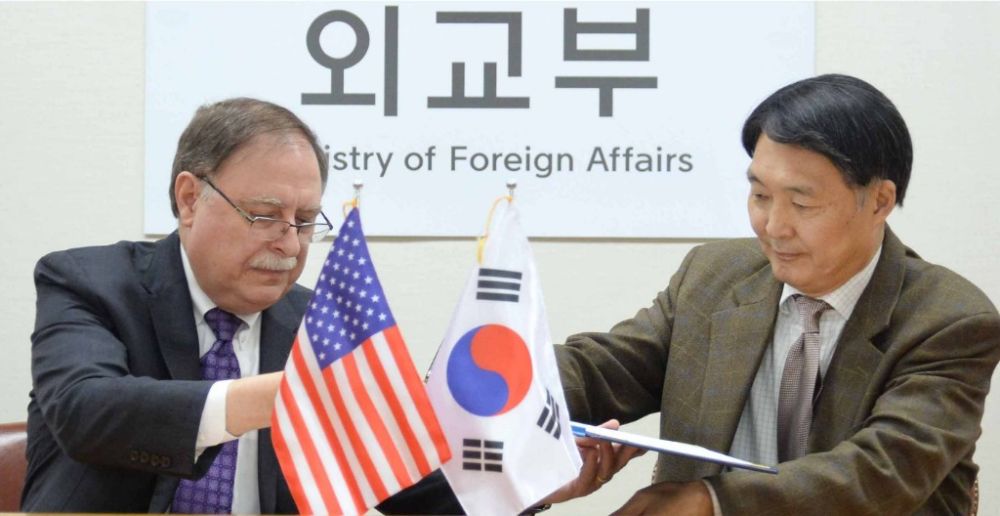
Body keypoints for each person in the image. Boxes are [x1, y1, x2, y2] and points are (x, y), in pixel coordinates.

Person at [550, 74, 1000, 514]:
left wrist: (712, 502)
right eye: (761, 195)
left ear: (880, 201)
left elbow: (883, 472)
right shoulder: (713, 277)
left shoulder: (949, 320)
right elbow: (601, 370)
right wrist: (512, 397)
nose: (774, 226)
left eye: (802, 204)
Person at [22, 97, 458, 514]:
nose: (290, 244)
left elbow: (420, 486)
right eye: (265, 215)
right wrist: (278, 396)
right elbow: (83, 409)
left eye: (305, 221)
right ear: (190, 199)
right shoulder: (89, 282)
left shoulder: (319, 325)